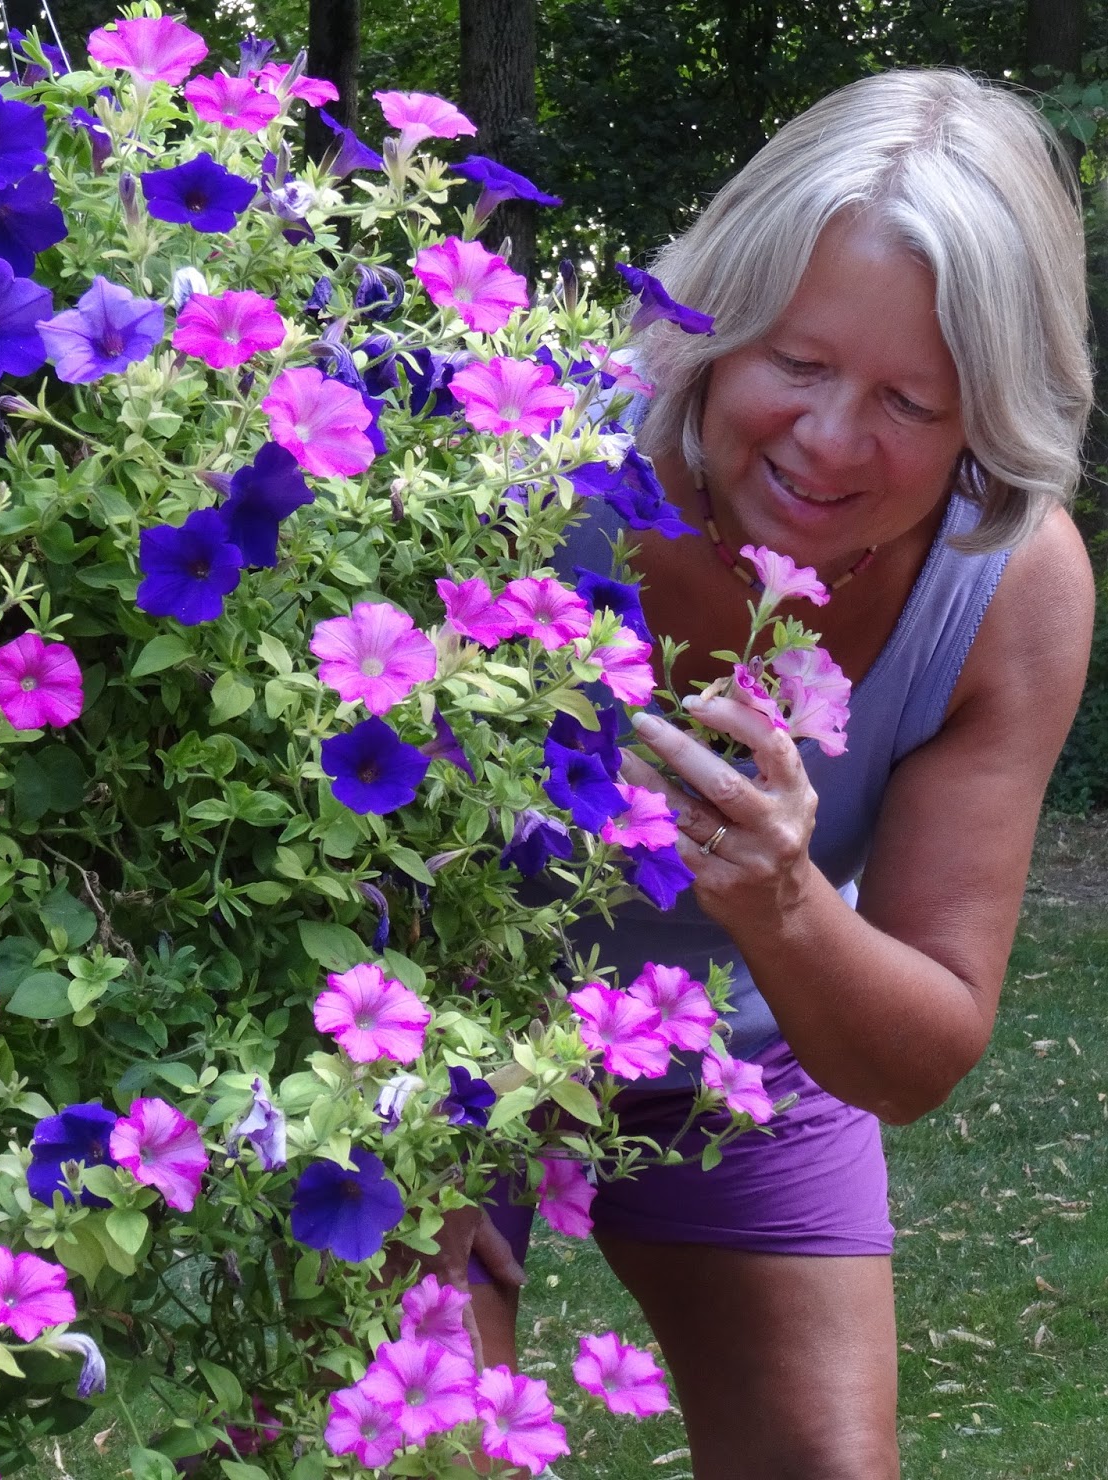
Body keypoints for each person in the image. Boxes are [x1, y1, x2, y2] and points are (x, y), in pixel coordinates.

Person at [449, 68, 1095, 1479]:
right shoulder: (524, 464)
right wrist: (392, 1152)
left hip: (734, 1051)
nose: (830, 440)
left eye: (910, 401)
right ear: (714, 325)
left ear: (989, 417)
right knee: (420, 1444)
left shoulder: (1011, 588)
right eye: (797, 364)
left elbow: (917, 1058)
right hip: (432, 1029)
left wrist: (786, 901)